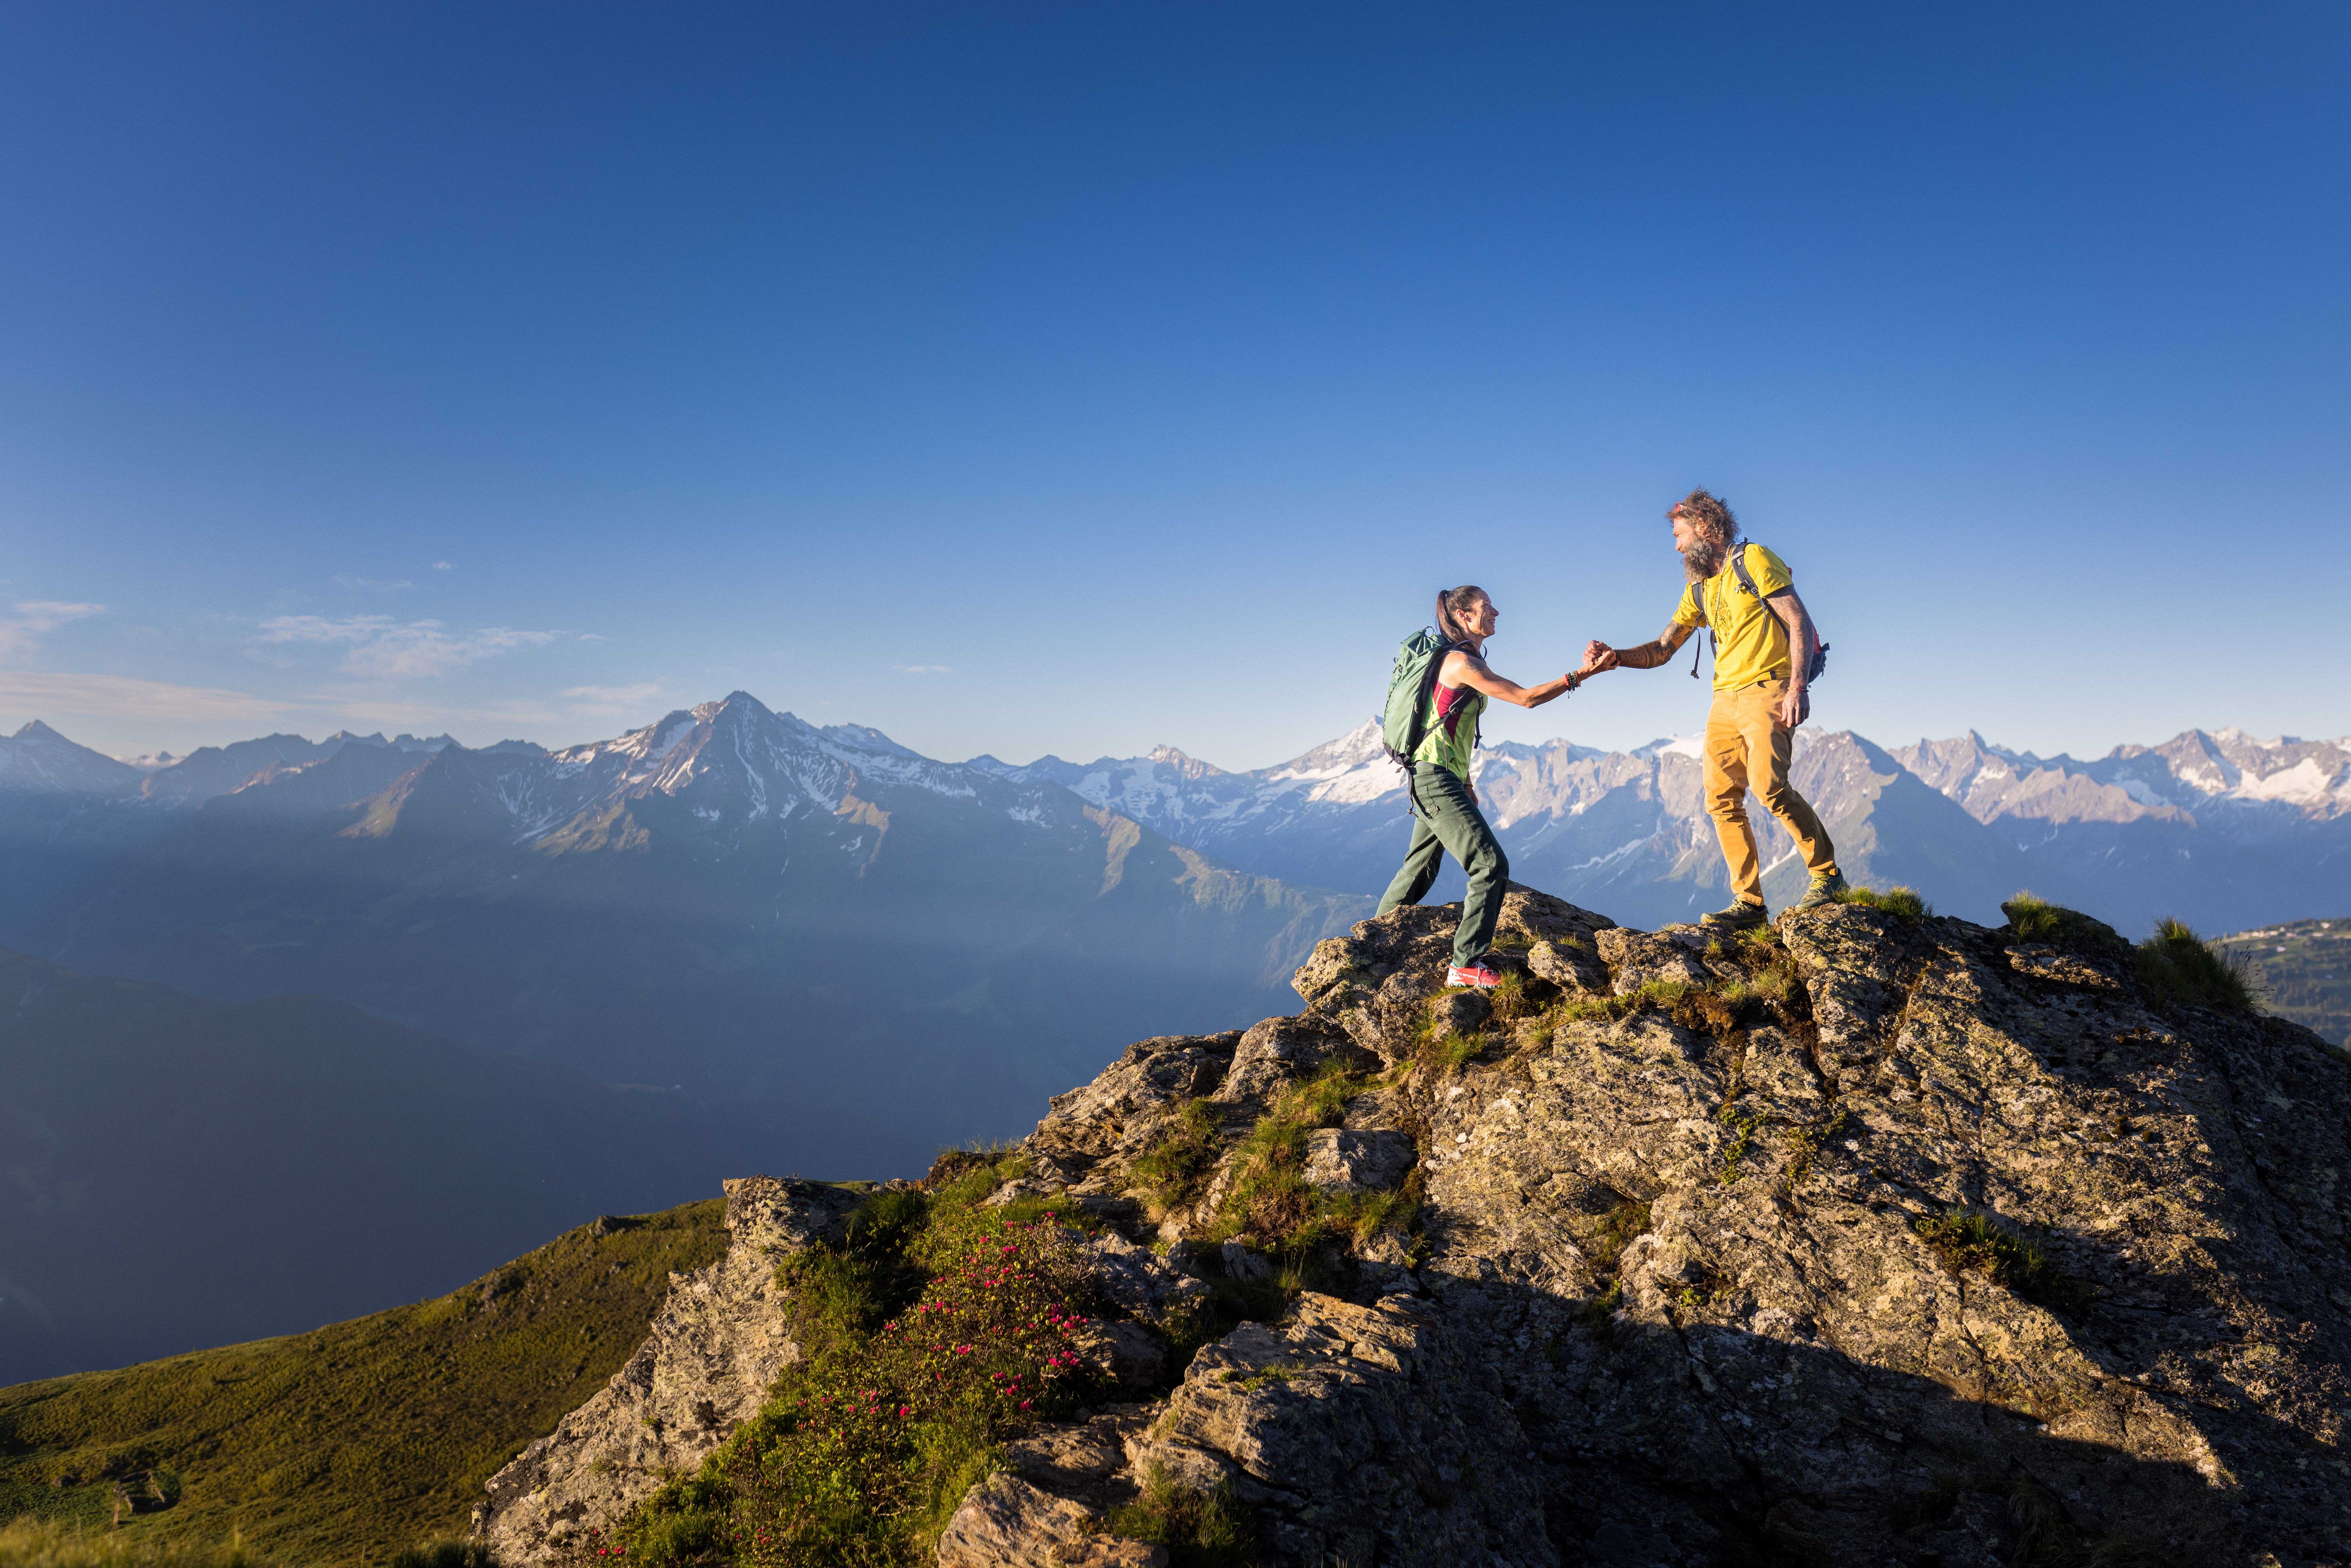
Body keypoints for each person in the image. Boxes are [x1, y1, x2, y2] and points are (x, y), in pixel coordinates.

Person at [1585, 490, 1845, 927]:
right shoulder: (1700, 588)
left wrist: (1798, 686)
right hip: (1723, 699)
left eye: (1679, 534)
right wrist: (1617, 656)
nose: (1677, 546)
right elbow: (1665, 648)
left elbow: (1799, 619)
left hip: (1768, 690)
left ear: (1705, 526)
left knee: (1769, 788)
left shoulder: (1755, 559)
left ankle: (1827, 875)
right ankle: (1749, 905)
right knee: (1721, 800)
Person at [1378, 585, 1607, 988]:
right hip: (1434, 779)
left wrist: (1465, 779)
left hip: (1437, 776)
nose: (1497, 612)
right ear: (1465, 616)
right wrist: (1581, 675)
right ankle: (1465, 964)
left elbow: (1447, 726)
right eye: (1487, 608)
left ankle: (1369, 945)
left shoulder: (1459, 661)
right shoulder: (1460, 664)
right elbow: (1525, 699)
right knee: (1490, 866)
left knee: (1418, 870)